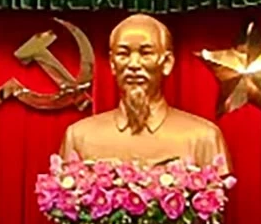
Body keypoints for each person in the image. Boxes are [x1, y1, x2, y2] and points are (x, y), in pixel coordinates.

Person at [60, 13, 229, 167]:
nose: (133, 65)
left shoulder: (204, 138)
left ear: (167, 63)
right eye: (123, 54)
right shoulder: (79, 137)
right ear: (112, 64)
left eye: (146, 53)